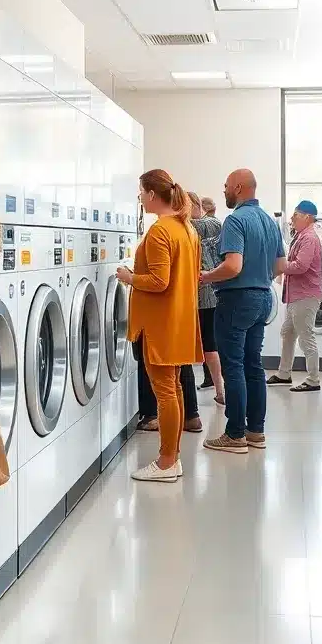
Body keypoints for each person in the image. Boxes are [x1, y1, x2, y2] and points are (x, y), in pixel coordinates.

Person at [117, 169, 203, 482]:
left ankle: (166, 463)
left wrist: (129, 278)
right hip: (178, 320)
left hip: (158, 324)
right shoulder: (186, 228)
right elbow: (190, 278)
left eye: (141, 192)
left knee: (165, 393)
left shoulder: (159, 230)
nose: (139, 198)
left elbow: (158, 281)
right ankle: (173, 458)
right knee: (175, 389)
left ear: (153, 195)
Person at [200, 169, 286, 454]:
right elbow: (280, 267)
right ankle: (255, 431)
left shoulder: (236, 220)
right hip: (263, 297)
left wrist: (206, 276)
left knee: (233, 367)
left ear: (237, 187)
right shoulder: (269, 222)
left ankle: (235, 434)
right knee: (254, 365)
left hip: (236, 300)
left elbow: (233, 266)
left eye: (226, 186)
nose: (224, 190)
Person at [267, 200, 322, 392]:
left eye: (295, 215)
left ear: (307, 218)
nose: (291, 219)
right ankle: (284, 374)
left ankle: (313, 379)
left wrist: (280, 267)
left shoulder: (309, 238)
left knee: (305, 336)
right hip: (296, 295)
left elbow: (301, 266)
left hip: (305, 295)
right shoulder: (301, 236)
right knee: (288, 333)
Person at [189, 192, 225, 404]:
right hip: (195, 295)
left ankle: (220, 391)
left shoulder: (210, 224)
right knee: (207, 346)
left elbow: (200, 226)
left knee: (210, 345)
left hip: (207, 295)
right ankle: (216, 387)